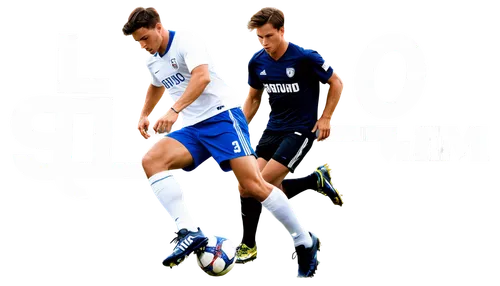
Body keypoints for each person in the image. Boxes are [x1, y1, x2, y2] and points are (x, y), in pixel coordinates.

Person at [121, 5, 322, 279]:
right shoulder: (153, 59)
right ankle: (190, 230)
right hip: (193, 127)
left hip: (222, 119)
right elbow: (156, 84)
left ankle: (304, 240)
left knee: (252, 186)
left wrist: (173, 109)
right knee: (152, 161)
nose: (142, 45)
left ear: (160, 26)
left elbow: (201, 77)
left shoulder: (187, 41)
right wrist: (145, 113)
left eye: (145, 38)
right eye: (137, 42)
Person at [235, 6, 346, 275]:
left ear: (283, 31)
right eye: (258, 38)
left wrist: (326, 118)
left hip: (300, 131)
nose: (263, 43)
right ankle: (313, 181)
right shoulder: (257, 61)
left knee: (257, 185)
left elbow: (336, 83)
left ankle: (261, 243)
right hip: (271, 130)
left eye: (268, 36)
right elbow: (253, 98)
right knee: (244, 188)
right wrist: (236, 128)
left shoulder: (305, 57)